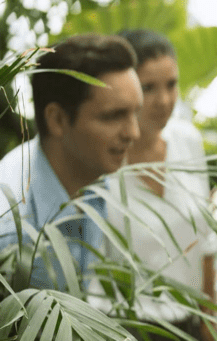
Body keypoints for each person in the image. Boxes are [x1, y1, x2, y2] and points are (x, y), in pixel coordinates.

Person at [95, 29, 216, 340]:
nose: (164, 101)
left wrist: (209, 323)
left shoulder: (187, 140)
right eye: (148, 87)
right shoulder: (101, 161)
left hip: (187, 325)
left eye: (171, 85)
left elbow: (205, 240)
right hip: (122, 327)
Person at [0, 34, 142, 290]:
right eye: (114, 116)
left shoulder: (97, 179)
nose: (134, 133)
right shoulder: (9, 226)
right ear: (57, 120)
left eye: (135, 113)